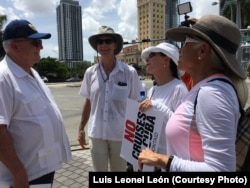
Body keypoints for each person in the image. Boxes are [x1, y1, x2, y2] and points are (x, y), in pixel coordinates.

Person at [138, 14, 249, 171]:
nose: (180, 48)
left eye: (185, 42)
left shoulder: (212, 93)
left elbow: (221, 171)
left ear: (202, 51)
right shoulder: (205, 89)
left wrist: (161, 160)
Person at [0, 19, 72, 187]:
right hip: (22, 175)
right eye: (35, 42)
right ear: (15, 46)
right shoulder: (3, 78)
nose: (41, 47)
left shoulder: (32, 72)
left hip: (40, 169)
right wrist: (18, 174)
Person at [77, 26, 141, 171]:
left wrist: (135, 135)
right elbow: (88, 101)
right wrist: (81, 128)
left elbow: (135, 104)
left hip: (120, 134)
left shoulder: (129, 72)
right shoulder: (90, 72)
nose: (103, 45)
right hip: (97, 133)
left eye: (108, 41)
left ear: (115, 44)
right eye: (100, 42)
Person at [138, 42, 188, 171]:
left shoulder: (179, 88)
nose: (147, 59)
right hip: (152, 157)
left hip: (168, 160)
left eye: (152, 55)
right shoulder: (153, 90)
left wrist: (156, 105)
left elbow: (182, 129)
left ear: (166, 60)